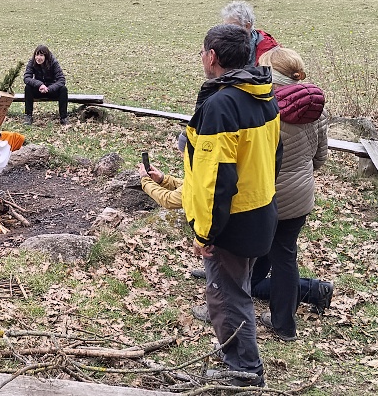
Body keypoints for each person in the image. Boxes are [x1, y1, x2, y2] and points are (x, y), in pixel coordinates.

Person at [138, 132, 331, 322]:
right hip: (280, 204)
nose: (181, 156)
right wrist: (163, 180)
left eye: (182, 152)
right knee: (259, 271)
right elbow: (189, 188)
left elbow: (174, 198)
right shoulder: (264, 121)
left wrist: (145, 182)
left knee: (240, 280)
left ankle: (223, 312)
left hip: (244, 219)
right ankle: (314, 290)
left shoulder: (206, 167)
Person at [182, 24, 281, 387]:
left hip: (232, 221)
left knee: (226, 296)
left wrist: (205, 231)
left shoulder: (222, 105)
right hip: (260, 210)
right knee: (236, 290)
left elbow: (216, 180)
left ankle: (243, 371)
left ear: (212, 57)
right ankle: (239, 362)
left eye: (202, 52)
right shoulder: (261, 93)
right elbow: (275, 155)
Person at [253, 47, 332, 341]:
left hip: (268, 196)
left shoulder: (265, 108)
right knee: (283, 256)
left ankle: (225, 307)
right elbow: (320, 157)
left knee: (249, 252)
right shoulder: (315, 107)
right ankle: (283, 324)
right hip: (301, 195)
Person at [220, 0, 279, 65]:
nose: (227, 31)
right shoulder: (222, 45)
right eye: (226, 26)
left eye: (232, 27)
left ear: (247, 26)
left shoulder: (268, 48)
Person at [22, 44, 69, 125]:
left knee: (63, 89)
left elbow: (61, 79)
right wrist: (39, 85)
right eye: (37, 55)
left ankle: (63, 117)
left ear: (46, 56)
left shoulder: (53, 62)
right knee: (28, 88)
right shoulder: (32, 62)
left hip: (51, 90)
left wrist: (50, 88)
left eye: (41, 55)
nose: (38, 58)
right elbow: (26, 78)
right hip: (39, 89)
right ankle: (28, 116)